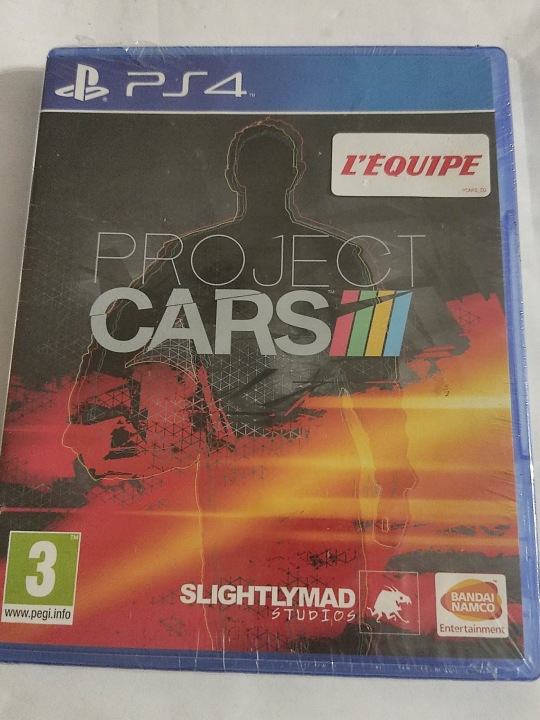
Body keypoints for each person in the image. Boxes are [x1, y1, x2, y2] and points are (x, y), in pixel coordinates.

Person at [64, 118, 417, 553]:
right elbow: (376, 377)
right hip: (268, 460)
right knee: (271, 585)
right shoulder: (340, 258)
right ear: (295, 173)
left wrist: (93, 422)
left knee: (252, 586)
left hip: (285, 461)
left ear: (236, 176)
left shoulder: (201, 255)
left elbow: (116, 332)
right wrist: (394, 477)